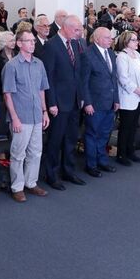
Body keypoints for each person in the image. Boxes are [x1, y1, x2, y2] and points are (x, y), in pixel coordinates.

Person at [2, 30, 50, 202]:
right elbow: (7, 94)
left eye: (33, 41)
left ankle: (31, 182)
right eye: (28, 41)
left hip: (37, 114)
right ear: (19, 44)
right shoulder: (11, 66)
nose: (32, 44)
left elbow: (41, 90)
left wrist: (44, 112)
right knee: (18, 153)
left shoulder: (39, 64)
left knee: (36, 151)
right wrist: (14, 117)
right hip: (20, 117)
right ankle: (17, 187)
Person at [41, 15, 87, 190]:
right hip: (58, 103)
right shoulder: (51, 46)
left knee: (70, 139)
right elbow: (49, 78)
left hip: (74, 101)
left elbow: (78, 73)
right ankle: (51, 174)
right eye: (76, 29)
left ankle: (68, 171)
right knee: (55, 140)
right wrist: (51, 103)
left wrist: (81, 96)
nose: (79, 32)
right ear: (65, 27)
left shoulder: (75, 44)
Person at [77, 27, 120, 177]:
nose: (111, 40)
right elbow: (84, 82)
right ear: (97, 39)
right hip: (94, 103)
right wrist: (87, 103)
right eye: (107, 37)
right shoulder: (87, 55)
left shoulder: (110, 53)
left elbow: (113, 78)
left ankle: (103, 161)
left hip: (109, 102)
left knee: (104, 133)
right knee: (92, 134)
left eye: (111, 37)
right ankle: (91, 164)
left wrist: (116, 99)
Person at [115, 31, 140, 165]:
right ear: (126, 42)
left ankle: (131, 151)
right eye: (134, 40)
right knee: (125, 127)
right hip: (128, 97)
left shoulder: (138, 55)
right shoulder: (122, 57)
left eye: (137, 39)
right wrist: (138, 91)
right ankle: (121, 154)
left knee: (134, 125)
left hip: (139, 97)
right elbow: (123, 79)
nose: (137, 42)